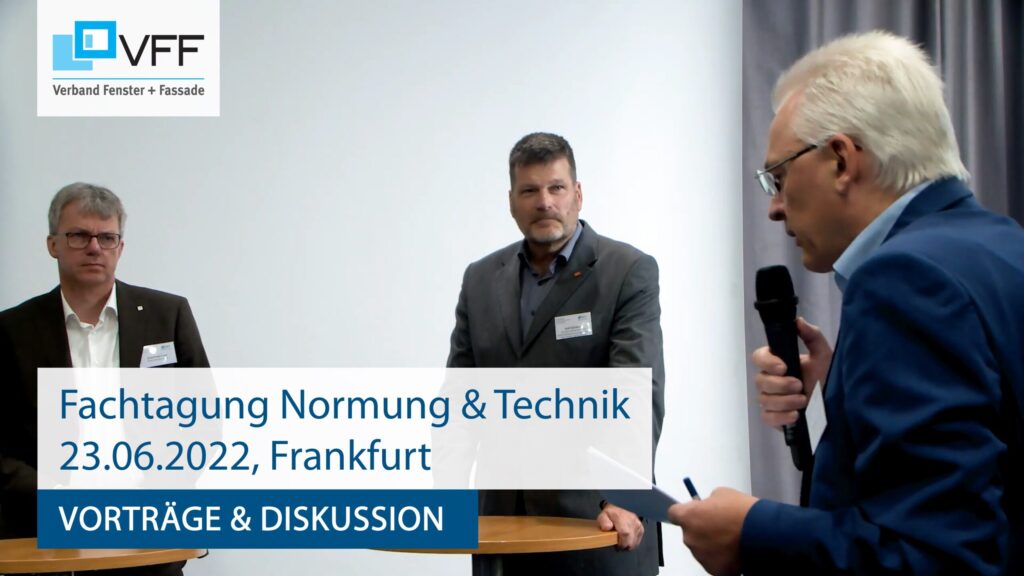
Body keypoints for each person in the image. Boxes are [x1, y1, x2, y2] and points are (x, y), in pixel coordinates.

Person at [669, 30, 1024, 575]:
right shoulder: (1002, 244)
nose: (775, 208)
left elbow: (939, 557)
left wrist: (752, 529)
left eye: (779, 177)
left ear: (840, 159)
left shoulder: (904, 281)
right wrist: (849, 386)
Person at [446, 132, 666, 575]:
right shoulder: (480, 279)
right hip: (502, 529)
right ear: (511, 202)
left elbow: (634, 392)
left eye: (556, 188)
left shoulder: (627, 271)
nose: (544, 202)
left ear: (578, 194)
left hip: (597, 526)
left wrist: (623, 495)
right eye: (529, 190)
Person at [0, 182, 210, 575]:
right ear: (53, 245)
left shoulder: (168, 316)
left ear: (120, 247)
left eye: (107, 237)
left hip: (148, 538)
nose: (94, 247)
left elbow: (203, 421)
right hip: (43, 542)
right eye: (79, 235)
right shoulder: (12, 330)